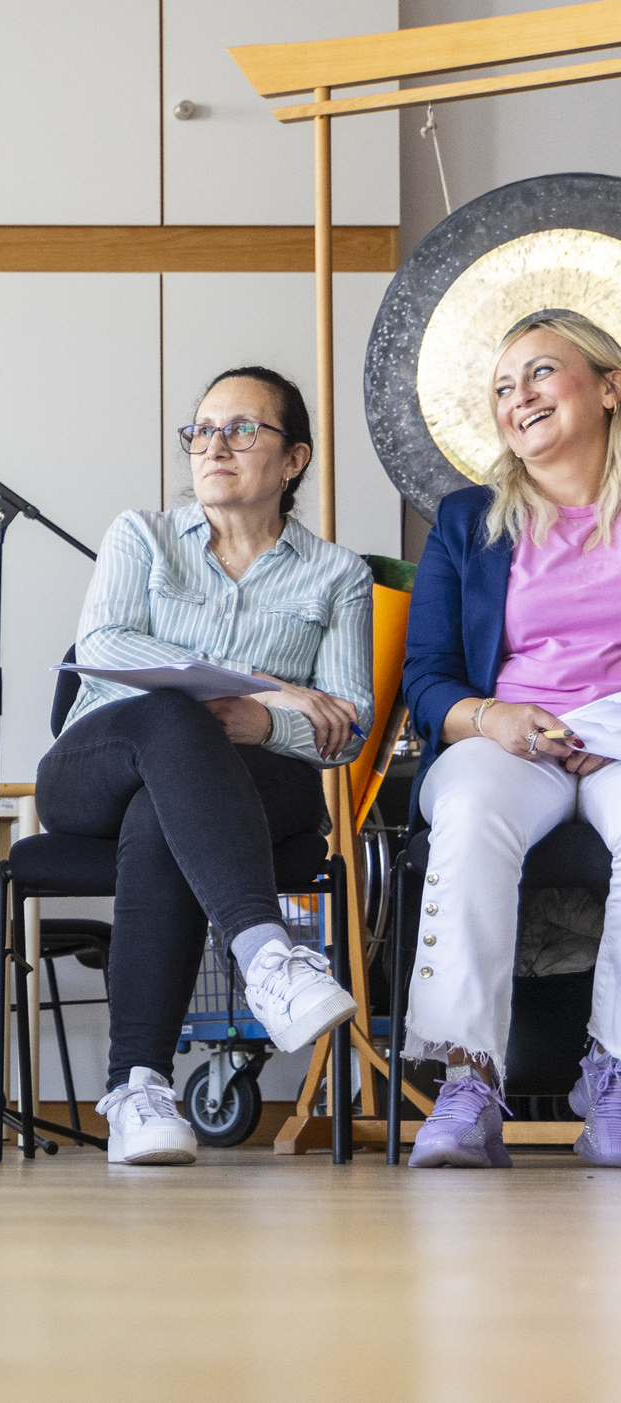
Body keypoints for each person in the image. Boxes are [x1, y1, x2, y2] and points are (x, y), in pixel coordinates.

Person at [54, 365, 369, 1167]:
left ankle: (141, 1089)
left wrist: (262, 720)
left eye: (240, 429)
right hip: (100, 761)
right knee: (169, 714)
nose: (213, 445)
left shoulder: (339, 576)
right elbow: (104, 648)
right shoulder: (143, 535)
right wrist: (273, 687)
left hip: (250, 784)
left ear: (293, 458)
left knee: (166, 805)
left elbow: (348, 725)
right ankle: (268, 957)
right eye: (202, 430)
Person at [399, 310, 621, 1169]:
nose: (516, 398)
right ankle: (468, 1079)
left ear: (607, 386)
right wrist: (494, 718)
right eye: (502, 387)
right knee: (468, 813)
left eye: (538, 373)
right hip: (510, 733)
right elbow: (427, 677)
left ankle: (611, 1075)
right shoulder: (468, 520)